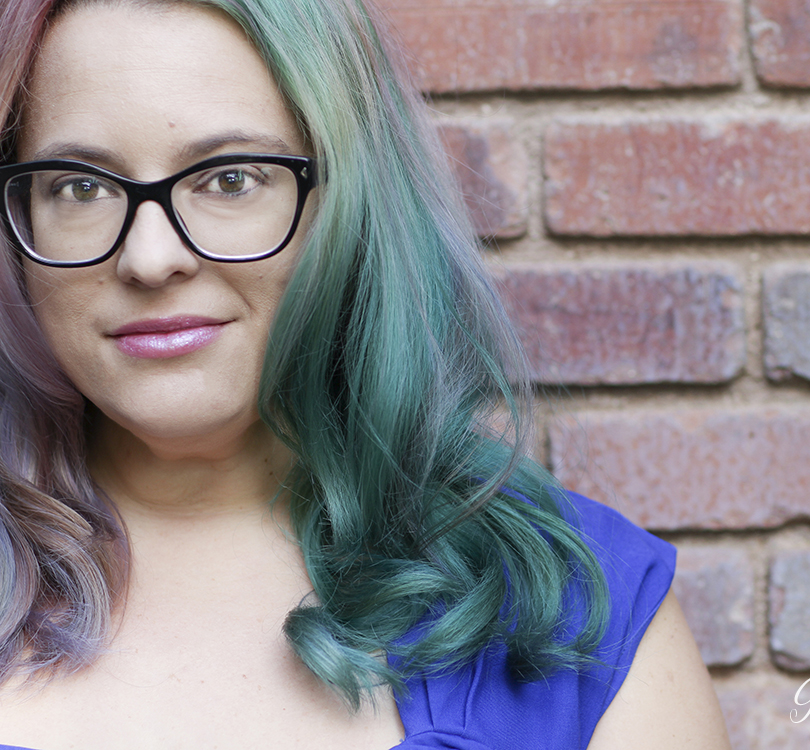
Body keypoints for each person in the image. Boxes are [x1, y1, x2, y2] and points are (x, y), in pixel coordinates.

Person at [0, 0, 731, 747]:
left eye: (231, 179)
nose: (151, 259)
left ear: (350, 208)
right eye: (79, 187)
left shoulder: (583, 610)